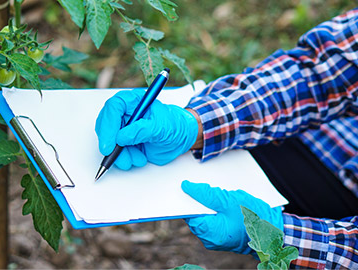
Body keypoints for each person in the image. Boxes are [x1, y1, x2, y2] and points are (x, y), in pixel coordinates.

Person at [95, 8, 358, 269]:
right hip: (330, 142)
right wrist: (196, 125)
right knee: (235, 154)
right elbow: (318, 75)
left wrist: (281, 237)